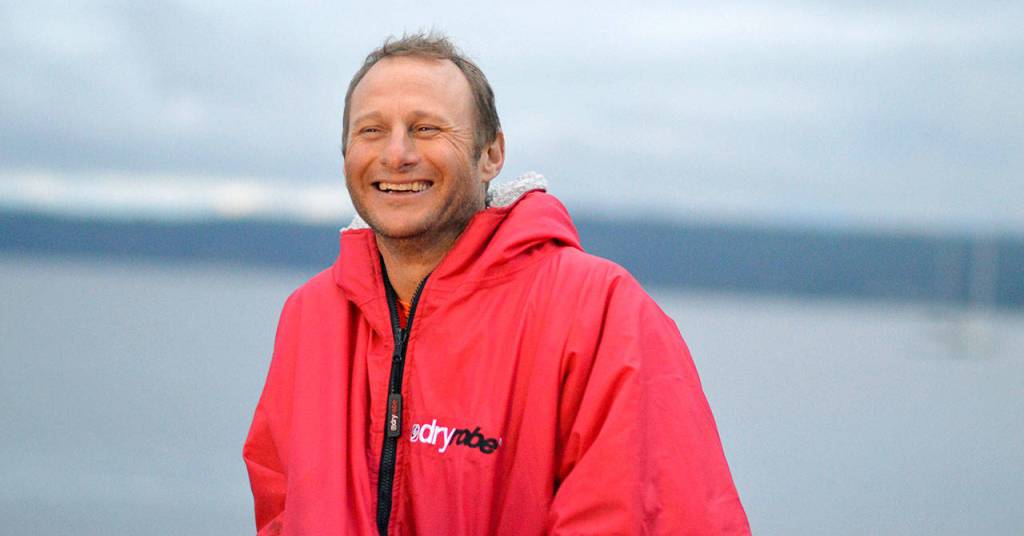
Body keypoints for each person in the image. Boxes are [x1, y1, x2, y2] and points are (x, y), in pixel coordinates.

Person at [243, 33, 751, 535]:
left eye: (426, 128)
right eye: (371, 131)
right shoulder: (312, 317)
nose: (396, 154)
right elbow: (280, 509)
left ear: (491, 154)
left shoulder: (598, 313)